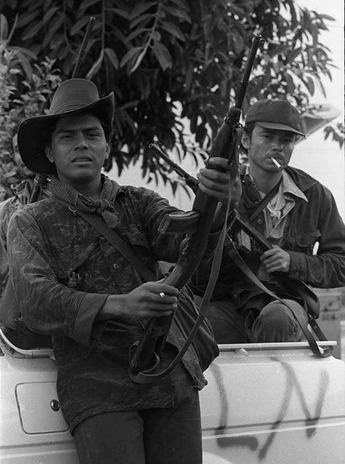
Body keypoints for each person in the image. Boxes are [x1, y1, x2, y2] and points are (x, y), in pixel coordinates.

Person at [6, 78, 232, 464]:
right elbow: (35, 301)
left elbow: (190, 245)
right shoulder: (30, 221)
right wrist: (118, 305)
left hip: (170, 377)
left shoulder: (139, 203)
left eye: (92, 134)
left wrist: (220, 204)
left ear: (106, 146)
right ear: (49, 150)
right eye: (68, 137)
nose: (82, 144)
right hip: (97, 389)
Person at [191, 98, 345, 344]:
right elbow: (194, 263)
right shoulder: (222, 190)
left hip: (285, 303)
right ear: (245, 140)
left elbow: (341, 263)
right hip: (231, 302)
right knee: (186, 319)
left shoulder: (316, 195)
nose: (277, 147)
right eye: (268, 137)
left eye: (286, 140)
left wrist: (293, 261)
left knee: (277, 318)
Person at [0, 128, 50, 297]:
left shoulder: (69, 200)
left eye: (30, 146)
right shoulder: (5, 211)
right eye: (17, 150)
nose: (24, 155)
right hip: (17, 316)